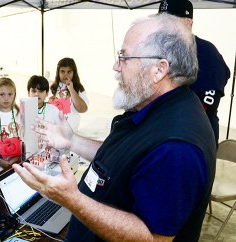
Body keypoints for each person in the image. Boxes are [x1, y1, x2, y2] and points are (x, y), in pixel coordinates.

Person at [13, 14, 216, 242]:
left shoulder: (176, 147)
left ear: (159, 70)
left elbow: (153, 238)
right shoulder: (151, 106)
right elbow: (120, 159)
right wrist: (72, 140)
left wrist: (70, 199)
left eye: (124, 57)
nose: (115, 66)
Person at [157, 0, 230, 147]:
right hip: (163, 134)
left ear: (188, 22)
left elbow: (208, 101)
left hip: (195, 140)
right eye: (161, 21)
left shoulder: (207, 52)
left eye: (170, 21)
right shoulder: (160, 49)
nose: (163, 26)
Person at [49, 57, 89, 130]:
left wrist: (71, 89)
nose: (66, 75)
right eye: (62, 71)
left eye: (69, 72)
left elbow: (83, 109)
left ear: (74, 73)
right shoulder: (51, 88)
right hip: (53, 130)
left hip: (71, 132)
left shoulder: (79, 89)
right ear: (58, 72)